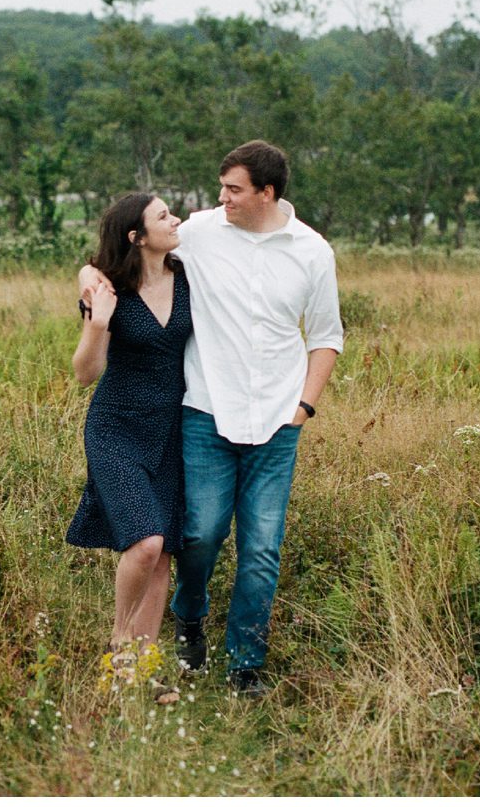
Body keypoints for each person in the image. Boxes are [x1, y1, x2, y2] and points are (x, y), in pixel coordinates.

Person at [80, 139, 341, 699]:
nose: (220, 198)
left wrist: (304, 407)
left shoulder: (312, 252)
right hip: (204, 413)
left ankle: (246, 664)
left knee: (262, 547)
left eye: (234, 189)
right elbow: (116, 247)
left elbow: (325, 337)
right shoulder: (199, 231)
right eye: (221, 188)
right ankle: (189, 621)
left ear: (266, 193)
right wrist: (88, 283)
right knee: (197, 535)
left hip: (277, 420)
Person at [65, 192, 193, 686]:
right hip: (116, 427)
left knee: (162, 555)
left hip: (172, 429)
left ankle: (145, 670)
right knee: (145, 541)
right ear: (136, 237)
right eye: (163, 215)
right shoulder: (107, 288)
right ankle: (120, 643)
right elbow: (84, 373)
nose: (174, 219)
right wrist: (97, 325)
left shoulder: (186, 274)